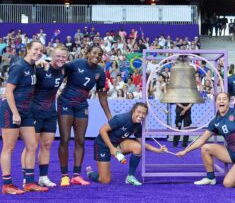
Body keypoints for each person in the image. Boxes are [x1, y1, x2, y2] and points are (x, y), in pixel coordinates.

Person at [176, 93, 235, 188]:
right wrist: (185, 151)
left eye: (224, 99)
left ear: (228, 102)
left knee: (228, 184)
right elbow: (202, 140)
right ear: (216, 102)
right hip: (231, 153)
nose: (221, 101)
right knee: (205, 148)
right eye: (219, 99)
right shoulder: (215, 121)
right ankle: (210, 178)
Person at [57, 45, 112, 186]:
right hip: (65, 103)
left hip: (82, 106)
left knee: (80, 140)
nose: (97, 56)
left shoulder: (100, 71)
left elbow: (102, 96)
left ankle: (76, 175)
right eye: (94, 53)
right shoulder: (75, 64)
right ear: (87, 53)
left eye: (100, 54)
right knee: (65, 139)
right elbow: (56, 76)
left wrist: (109, 117)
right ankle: (64, 176)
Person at [1, 41, 48, 194]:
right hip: (11, 110)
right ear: (28, 49)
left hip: (26, 112)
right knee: (9, 148)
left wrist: (41, 64)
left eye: (41, 50)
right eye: (35, 49)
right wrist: (15, 112)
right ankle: (7, 185)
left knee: (32, 146)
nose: (38, 52)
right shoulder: (19, 66)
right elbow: (8, 91)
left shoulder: (33, 66)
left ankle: (29, 183)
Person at [20, 44, 68, 188]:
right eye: (58, 56)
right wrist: (38, 62)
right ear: (51, 56)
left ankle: (43, 177)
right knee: (31, 146)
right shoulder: (40, 68)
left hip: (50, 113)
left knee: (46, 145)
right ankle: (26, 178)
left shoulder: (64, 70)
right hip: (34, 111)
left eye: (63, 57)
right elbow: (27, 63)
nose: (60, 59)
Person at [85, 103, 167, 185]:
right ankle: (90, 174)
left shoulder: (138, 126)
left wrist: (158, 150)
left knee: (138, 147)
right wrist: (111, 148)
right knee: (105, 180)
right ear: (133, 111)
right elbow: (102, 130)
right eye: (139, 112)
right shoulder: (121, 118)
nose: (141, 115)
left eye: (144, 113)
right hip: (102, 145)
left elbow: (142, 143)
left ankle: (130, 177)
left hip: (117, 144)